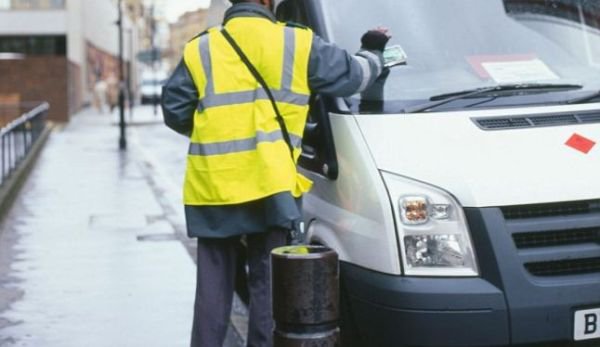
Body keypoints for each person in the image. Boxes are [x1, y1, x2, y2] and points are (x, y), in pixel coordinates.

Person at [161, 0, 390, 346]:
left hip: (212, 184)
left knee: (213, 286)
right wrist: (373, 49)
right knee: (268, 285)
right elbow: (354, 77)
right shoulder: (297, 42)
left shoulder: (201, 48)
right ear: (269, 2)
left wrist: (216, 129)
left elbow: (175, 111)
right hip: (271, 184)